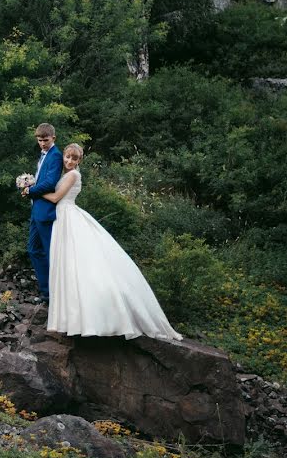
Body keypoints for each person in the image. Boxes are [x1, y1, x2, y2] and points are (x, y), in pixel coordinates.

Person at [42, 143, 182, 340]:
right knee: (69, 265)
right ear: (63, 156)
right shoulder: (63, 174)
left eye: (74, 158)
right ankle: (69, 317)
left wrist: (32, 190)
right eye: (67, 157)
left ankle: (90, 318)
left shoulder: (73, 175)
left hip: (68, 216)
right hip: (64, 218)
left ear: (79, 161)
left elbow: (56, 197)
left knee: (78, 264)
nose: (69, 161)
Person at [22, 123, 63, 302]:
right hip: (36, 210)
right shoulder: (43, 155)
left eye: (45, 140)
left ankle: (52, 294)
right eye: (40, 141)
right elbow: (40, 180)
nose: (42, 144)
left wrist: (30, 191)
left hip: (46, 211)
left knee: (49, 252)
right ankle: (47, 291)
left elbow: (49, 183)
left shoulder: (56, 156)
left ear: (53, 138)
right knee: (33, 250)